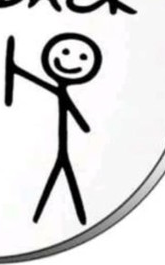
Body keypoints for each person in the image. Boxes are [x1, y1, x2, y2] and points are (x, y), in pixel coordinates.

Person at [5, 32, 102, 224]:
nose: (70, 61)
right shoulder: (59, 89)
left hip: (63, 150)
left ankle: (44, 215)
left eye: (83, 57)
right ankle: (48, 216)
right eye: (64, 52)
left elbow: (71, 109)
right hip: (61, 150)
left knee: (63, 166)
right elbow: (72, 110)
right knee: (62, 167)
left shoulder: (60, 89)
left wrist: (82, 124)